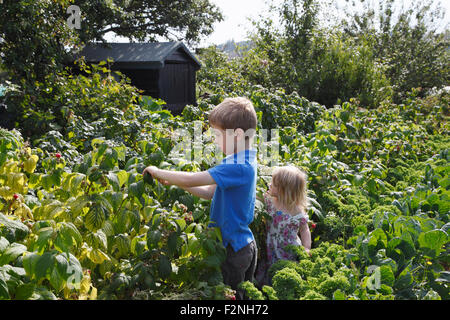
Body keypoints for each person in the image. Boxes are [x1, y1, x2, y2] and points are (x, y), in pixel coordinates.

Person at [142, 97, 258, 300]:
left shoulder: (238, 166)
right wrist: (177, 183)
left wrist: (158, 171)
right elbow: (209, 192)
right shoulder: (243, 159)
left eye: (217, 135)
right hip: (240, 245)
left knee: (230, 298)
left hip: (234, 249)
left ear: (237, 135)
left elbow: (194, 178)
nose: (214, 140)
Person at [256, 166, 311, 286]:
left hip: (287, 251)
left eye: (274, 184)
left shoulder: (295, 210)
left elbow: (304, 229)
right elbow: (254, 197)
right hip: (270, 247)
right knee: (268, 270)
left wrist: (307, 247)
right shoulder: (269, 200)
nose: (269, 185)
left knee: (284, 274)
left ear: (284, 190)